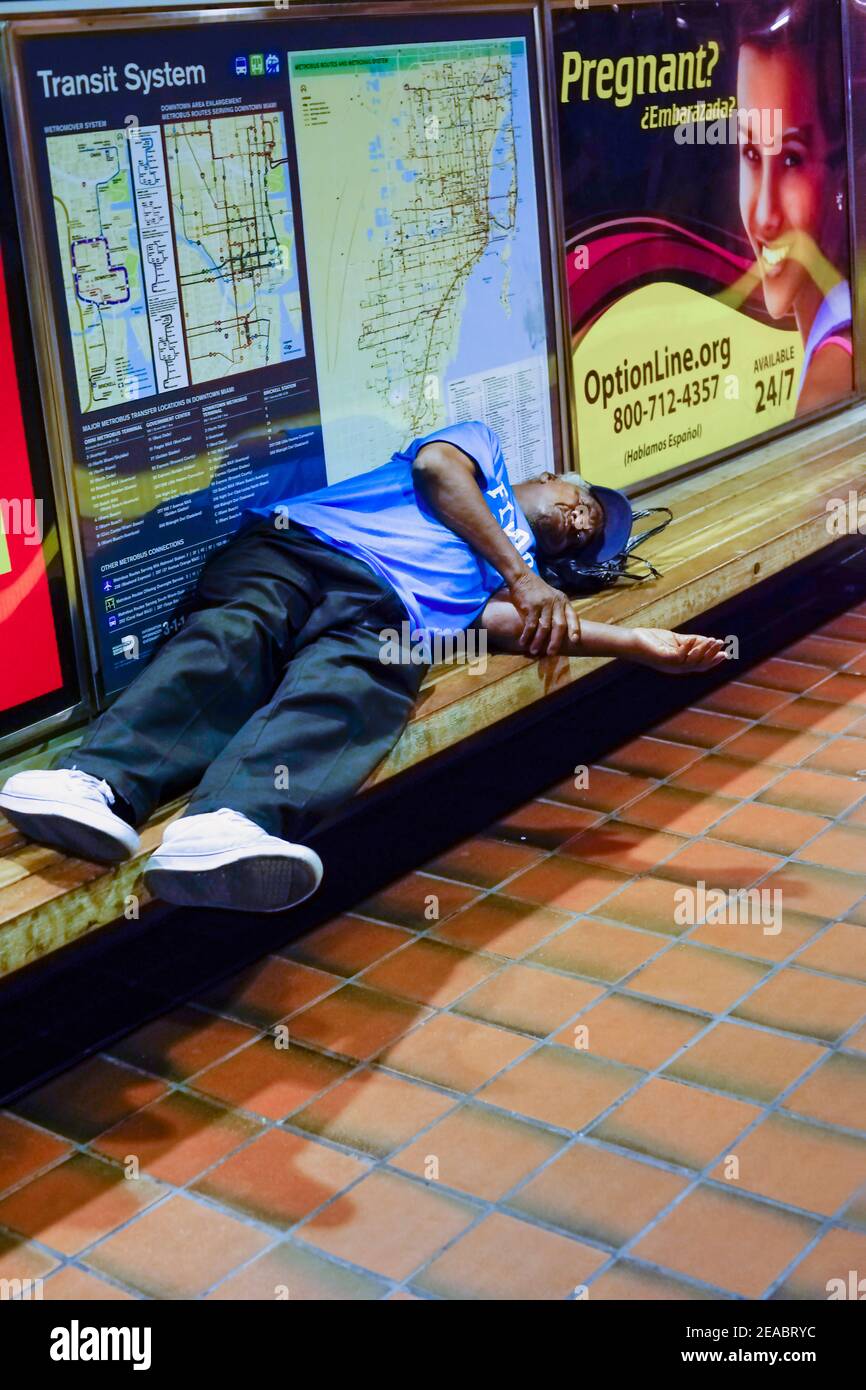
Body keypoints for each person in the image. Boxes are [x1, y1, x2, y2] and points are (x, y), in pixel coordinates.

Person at [0, 420, 725, 913]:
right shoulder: (482, 458)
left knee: (360, 686)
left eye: (585, 540)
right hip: (304, 548)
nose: (580, 524)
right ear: (544, 478)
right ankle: (95, 782)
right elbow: (437, 469)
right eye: (584, 505)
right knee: (234, 637)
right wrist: (522, 571)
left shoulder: (518, 580)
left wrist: (637, 644)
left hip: (386, 616)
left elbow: (505, 627)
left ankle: (227, 824)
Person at [737, 0, 854, 415]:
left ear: (844, 172)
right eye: (751, 152)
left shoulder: (832, 382)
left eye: (792, 159)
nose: (765, 215)